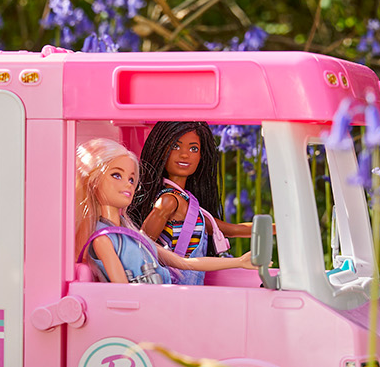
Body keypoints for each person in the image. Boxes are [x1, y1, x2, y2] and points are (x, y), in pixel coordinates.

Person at [76, 138, 255, 286]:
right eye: (116, 175)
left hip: (166, 295)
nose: (128, 184)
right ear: (94, 181)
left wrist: (238, 262)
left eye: (131, 178)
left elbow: (184, 263)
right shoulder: (103, 238)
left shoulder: (129, 232)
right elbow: (123, 292)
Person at [128, 121, 254, 285]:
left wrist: (280, 229)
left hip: (191, 290)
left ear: (201, 155)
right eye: (176, 146)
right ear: (161, 149)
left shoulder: (190, 204)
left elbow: (230, 229)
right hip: (172, 288)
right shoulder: (168, 201)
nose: (185, 155)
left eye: (193, 148)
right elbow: (143, 247)